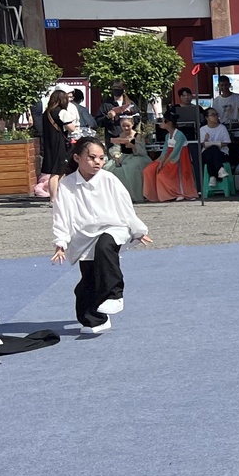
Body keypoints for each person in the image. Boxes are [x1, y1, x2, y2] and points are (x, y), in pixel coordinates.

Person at [51, 138, 151, 334]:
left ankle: (115, 295)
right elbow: (61, 215)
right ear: (77, 158)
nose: (97, 162)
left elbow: (125, 207)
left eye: (101, 158)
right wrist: (60, 242)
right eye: (92, 157)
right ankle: (94, 320)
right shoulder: (67, 184)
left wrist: (138, 229)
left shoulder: (109, 179)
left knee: (104, 247)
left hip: (113, 227)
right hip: (83, 236)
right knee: (88, 281)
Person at [143, 115, 195, 202]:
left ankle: (178, 193)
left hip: (178, 159)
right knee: (148, 170)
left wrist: (164, 164)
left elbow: (175, 152)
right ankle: (153, 195)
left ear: (169, 123)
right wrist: (160, 162)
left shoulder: (179, 135)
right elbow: (164, 151)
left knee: (161, 175)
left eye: (163, 121)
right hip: (168, 157)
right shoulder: (167, 136)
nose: (160, 123)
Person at [35, 87, 73, 201]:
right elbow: (71, 128)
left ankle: (57, 196)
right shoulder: (61, 112)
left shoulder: (46, 113)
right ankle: (53, 198)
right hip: (59, 144)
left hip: (49, 144)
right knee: (56, 172)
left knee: (59, 171)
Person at [199, 108, 233, 181]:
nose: (216, 116)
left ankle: (212, 177)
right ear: (207, 117)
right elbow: (204, 145)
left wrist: (212, 144)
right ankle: (220, 169)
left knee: (213, 151)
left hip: (222, 153)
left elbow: (227, 142)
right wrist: (206, 140)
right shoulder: (203, 129)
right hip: (206, 153)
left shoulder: (222, 128)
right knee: (213, 149)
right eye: (213, 115)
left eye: (216, 114)